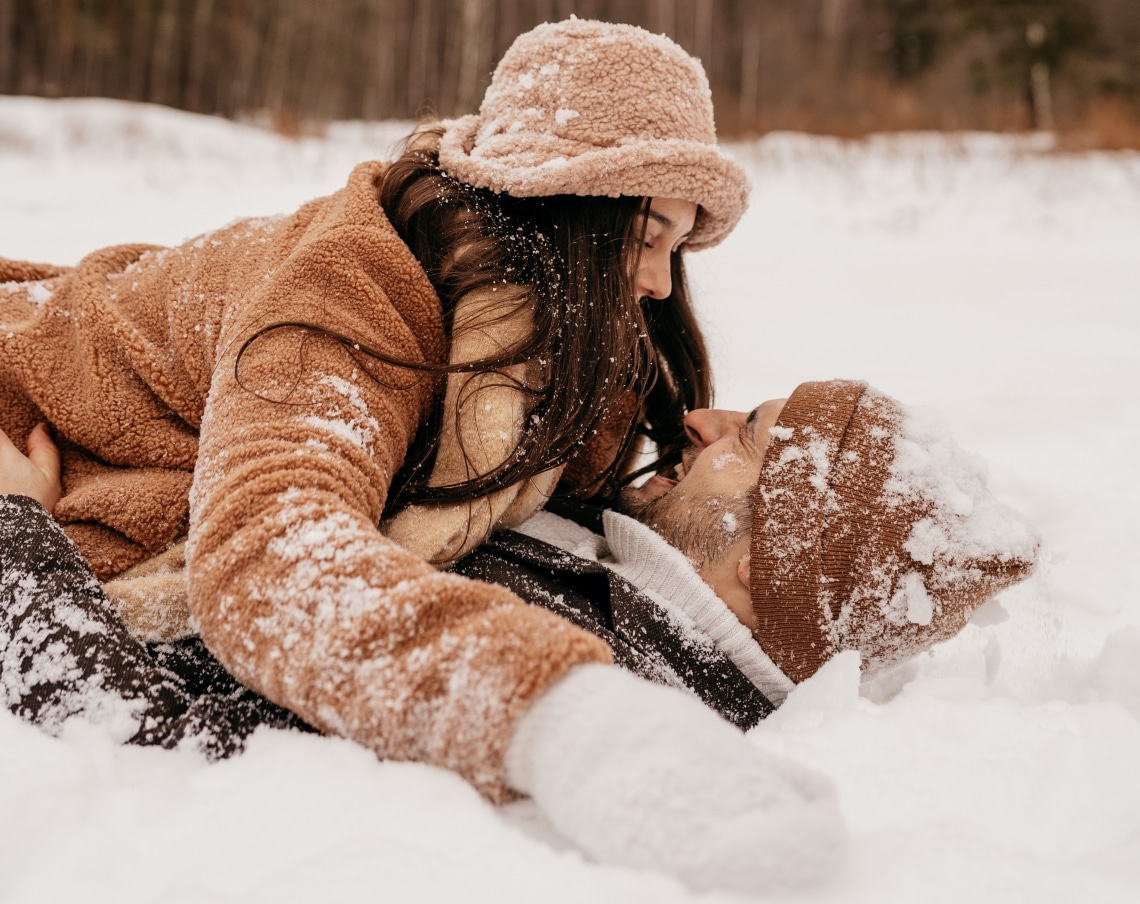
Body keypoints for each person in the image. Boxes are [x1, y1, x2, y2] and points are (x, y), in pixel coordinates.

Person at [1, 17, 844, 894]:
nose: (664, 284)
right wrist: (567, 721)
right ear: (571, 209)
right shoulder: (356, 292)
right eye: (650, 236)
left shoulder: (551, 353)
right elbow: (273, 555)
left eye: (680, 248)